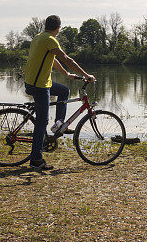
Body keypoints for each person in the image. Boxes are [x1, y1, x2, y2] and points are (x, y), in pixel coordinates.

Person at [23, 15, 95, 169]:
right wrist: (86, 75)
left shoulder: (38, 37)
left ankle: (58, 124)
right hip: (39, 85)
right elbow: (67, 59)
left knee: (64, 91)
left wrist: (67, 74)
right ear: (58, 28)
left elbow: (53, 59)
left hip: (36, 82)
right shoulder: (50, 39)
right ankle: (36, 160)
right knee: (41, 122)